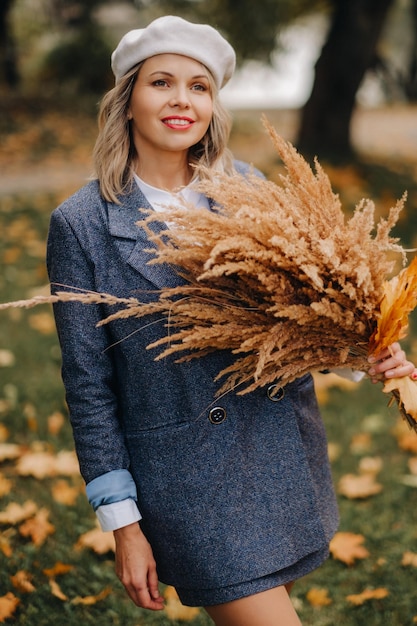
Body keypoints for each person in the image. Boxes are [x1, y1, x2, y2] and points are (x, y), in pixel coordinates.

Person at [46, 15, 416, 626]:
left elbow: (293, 318)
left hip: (278, 456)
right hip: (189, 483)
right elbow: (88, 387)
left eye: (199, 86)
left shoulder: (245, 188)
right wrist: (122, 522)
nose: (181, 100)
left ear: (214, 106)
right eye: (161, 82)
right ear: (128, 99)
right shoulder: (81, 223)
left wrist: (360, 351)